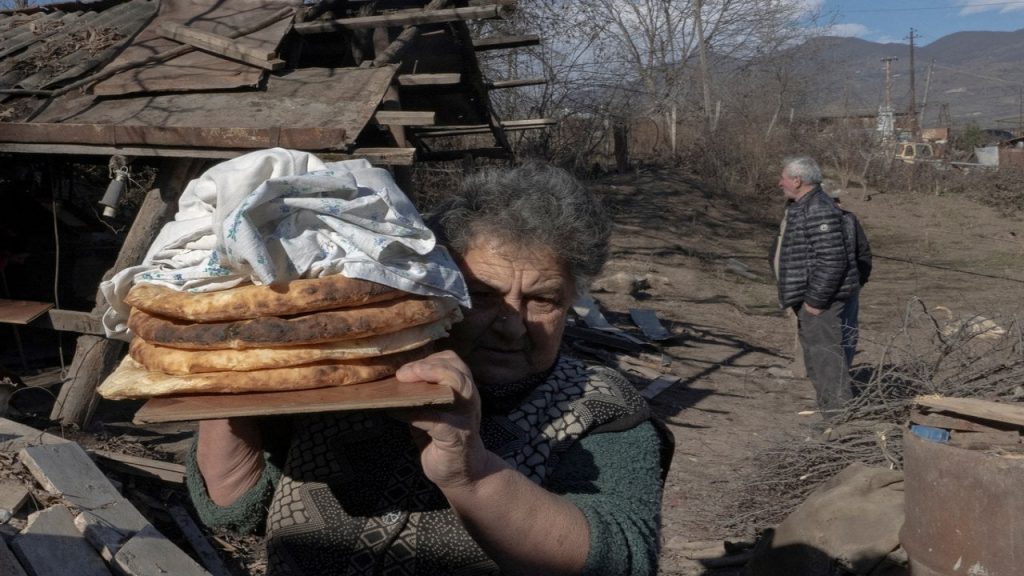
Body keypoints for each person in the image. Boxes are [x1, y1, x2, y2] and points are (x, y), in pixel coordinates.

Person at [185, 163, 667, 575]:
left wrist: (470, 471)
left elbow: (621, 558)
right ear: (436, 288)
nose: (512, 327)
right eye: (482, 296)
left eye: (543, 300)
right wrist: (231, 368)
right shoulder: (353, 371)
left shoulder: (601, 407)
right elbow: (234, 510)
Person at [772, 156, 860, 418]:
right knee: (818, 361)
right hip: (810, 298)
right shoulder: (803, 206)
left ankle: (839, 422)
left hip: (822, 303)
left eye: (784, 178)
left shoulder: (818, 209)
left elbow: (833, 260)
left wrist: (815, 301)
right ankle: (831, 415)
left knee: (827, 362)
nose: (780, 183)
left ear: (798, 181)